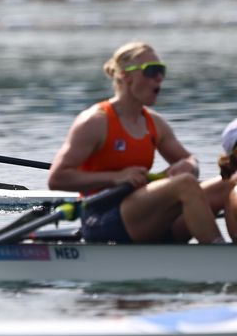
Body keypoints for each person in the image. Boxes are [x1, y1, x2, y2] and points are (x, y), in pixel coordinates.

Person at [48, 41, 224, 244]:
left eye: (161, 71)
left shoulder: (154, 123)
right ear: (125, 75)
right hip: (102, 216)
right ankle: (223, 256)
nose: (159, 78)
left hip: (144, 214)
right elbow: (57, 178)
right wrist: (116, 177)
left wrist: (189, 165)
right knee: (185, 185)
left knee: (229, 182)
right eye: (151, 71)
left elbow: (188, 158)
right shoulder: (95, 121)